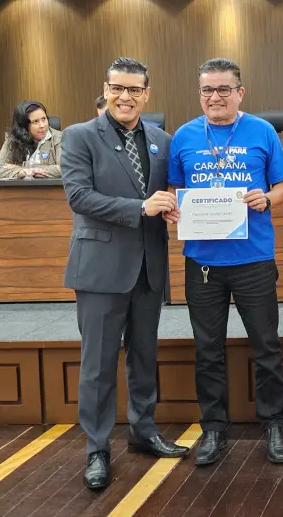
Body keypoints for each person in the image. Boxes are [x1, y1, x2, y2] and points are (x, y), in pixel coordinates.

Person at [61, 57, 189, 491]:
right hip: (100, 269)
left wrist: (174, 209)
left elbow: (168, 194)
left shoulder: (162, 140)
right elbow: (79, 197)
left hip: (149, 268)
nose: (125, 97)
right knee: (97, 365)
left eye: (135, 90)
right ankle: (97, 447)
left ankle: (143, 429)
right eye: (118, 88)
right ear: (106, 87)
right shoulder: (79, 137)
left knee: (143, 356)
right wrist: (141, 208)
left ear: (147, 94)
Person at [164, 58, 283, 465]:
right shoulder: (183, 136)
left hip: (253, 259)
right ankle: (214, 430)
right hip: (202, 262)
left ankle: (273, 425)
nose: (214, 97)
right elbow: (174, 189)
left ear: (240, 92)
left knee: (266, 347)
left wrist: (268, 199)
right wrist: (173, 208)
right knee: (208, 350)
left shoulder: (263, 131)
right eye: (207, 90)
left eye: (223, 89)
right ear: (199, 94)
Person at [0, 101, 62, 179]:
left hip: (49, 190)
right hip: (21, 190)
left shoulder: (59, 138)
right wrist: (26, 172)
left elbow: (64, 169)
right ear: (24, 126)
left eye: (44, 119)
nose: (42, 125)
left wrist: (25, 169)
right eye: (35, 121)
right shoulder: (13, 139)